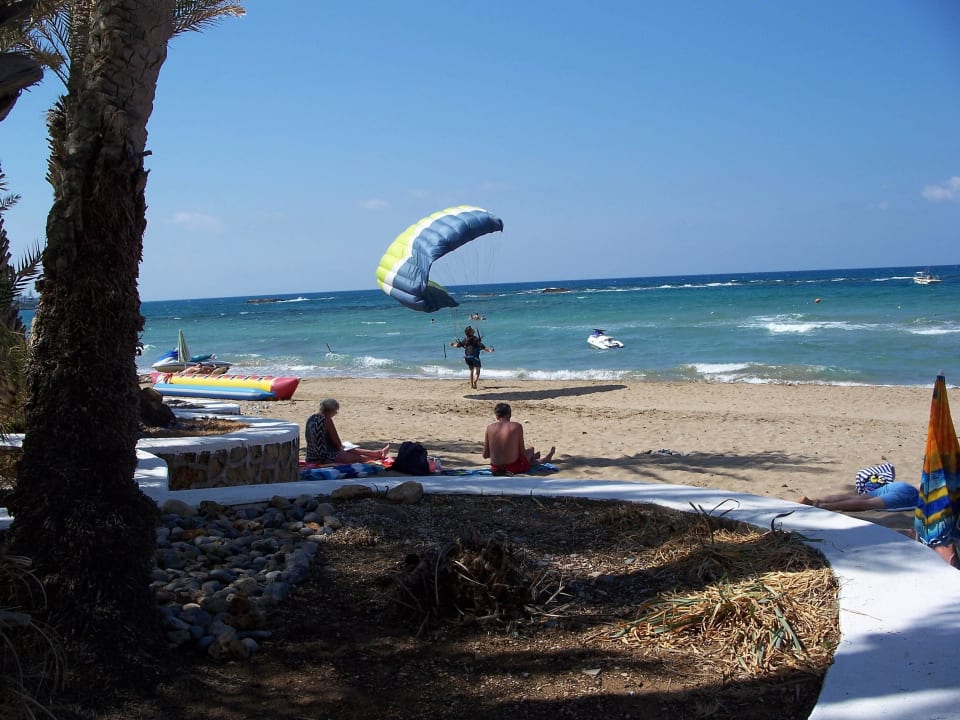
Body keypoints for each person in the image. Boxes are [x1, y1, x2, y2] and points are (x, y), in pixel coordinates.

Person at [305, 398, 390, 465]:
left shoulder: (311, 418)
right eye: (336, 411)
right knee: (356, 457)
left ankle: (378, 453)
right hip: (323, 457)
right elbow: (337, 442)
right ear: (331, 410)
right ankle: (377, 458)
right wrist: (342, 449)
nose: (335, 414)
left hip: (311, 455)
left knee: (349, 449)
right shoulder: (326, 420)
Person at [483, 402, 555, 475]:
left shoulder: (489, 428)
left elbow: (485, 455)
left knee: (527, 454)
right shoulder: (516, 426)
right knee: (531, 449)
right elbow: (522, 453)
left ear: (497, 416)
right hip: (513, 468)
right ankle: (543, 460)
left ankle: (533, 458)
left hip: (496, 469)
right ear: (509, 415)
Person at [798, 480, 919, 512]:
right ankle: (823, 506)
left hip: (902, 486)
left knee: (858, 498)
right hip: (911, 495)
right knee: (866, 504)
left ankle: (814, 501)